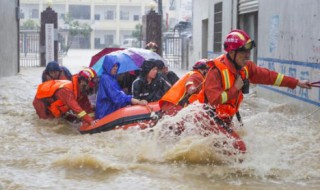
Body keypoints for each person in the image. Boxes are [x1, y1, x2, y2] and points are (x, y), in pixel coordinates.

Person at [198, 29, 312, 128]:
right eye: (243, 51)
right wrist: (235, 88)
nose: (248, 55)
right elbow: (214, 100)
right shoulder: (215, 71)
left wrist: (297, 82)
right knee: (240, 148)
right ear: (232, 52)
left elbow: (270, 77)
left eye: (248, 51)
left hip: (225, 120)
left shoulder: (246, 67)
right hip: (209, 120)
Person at [33, 68, 99, 126]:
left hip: (56, 103)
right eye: (90, 85)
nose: (91, 87)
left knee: (75, 120)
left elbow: (86, 107)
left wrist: (92, 119)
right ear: (82, 82)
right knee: (48, 123)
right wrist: (90, 121)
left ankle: (63, 116)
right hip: (41, 102)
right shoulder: (67, 91)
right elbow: (76, 108)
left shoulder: (81, 90)